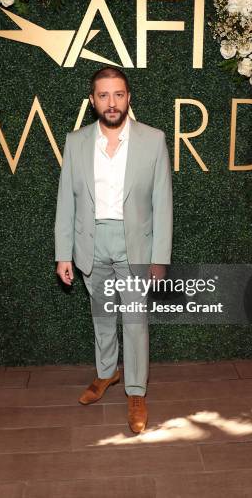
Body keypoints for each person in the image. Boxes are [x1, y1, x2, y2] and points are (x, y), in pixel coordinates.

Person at [55, 66, 173, 433]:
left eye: (118, 94)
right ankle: (107, 374)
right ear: (92, 101)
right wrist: (63, 253)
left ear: (128, 98)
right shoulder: (76, 141)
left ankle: (136, 390)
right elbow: (66, 203)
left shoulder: (153, 140)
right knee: (102, 316)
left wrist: (160, 259)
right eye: (103, 95)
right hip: (91, 244)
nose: (111, 102)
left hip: (135, 244)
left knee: (135, 321)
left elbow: (163, 202)